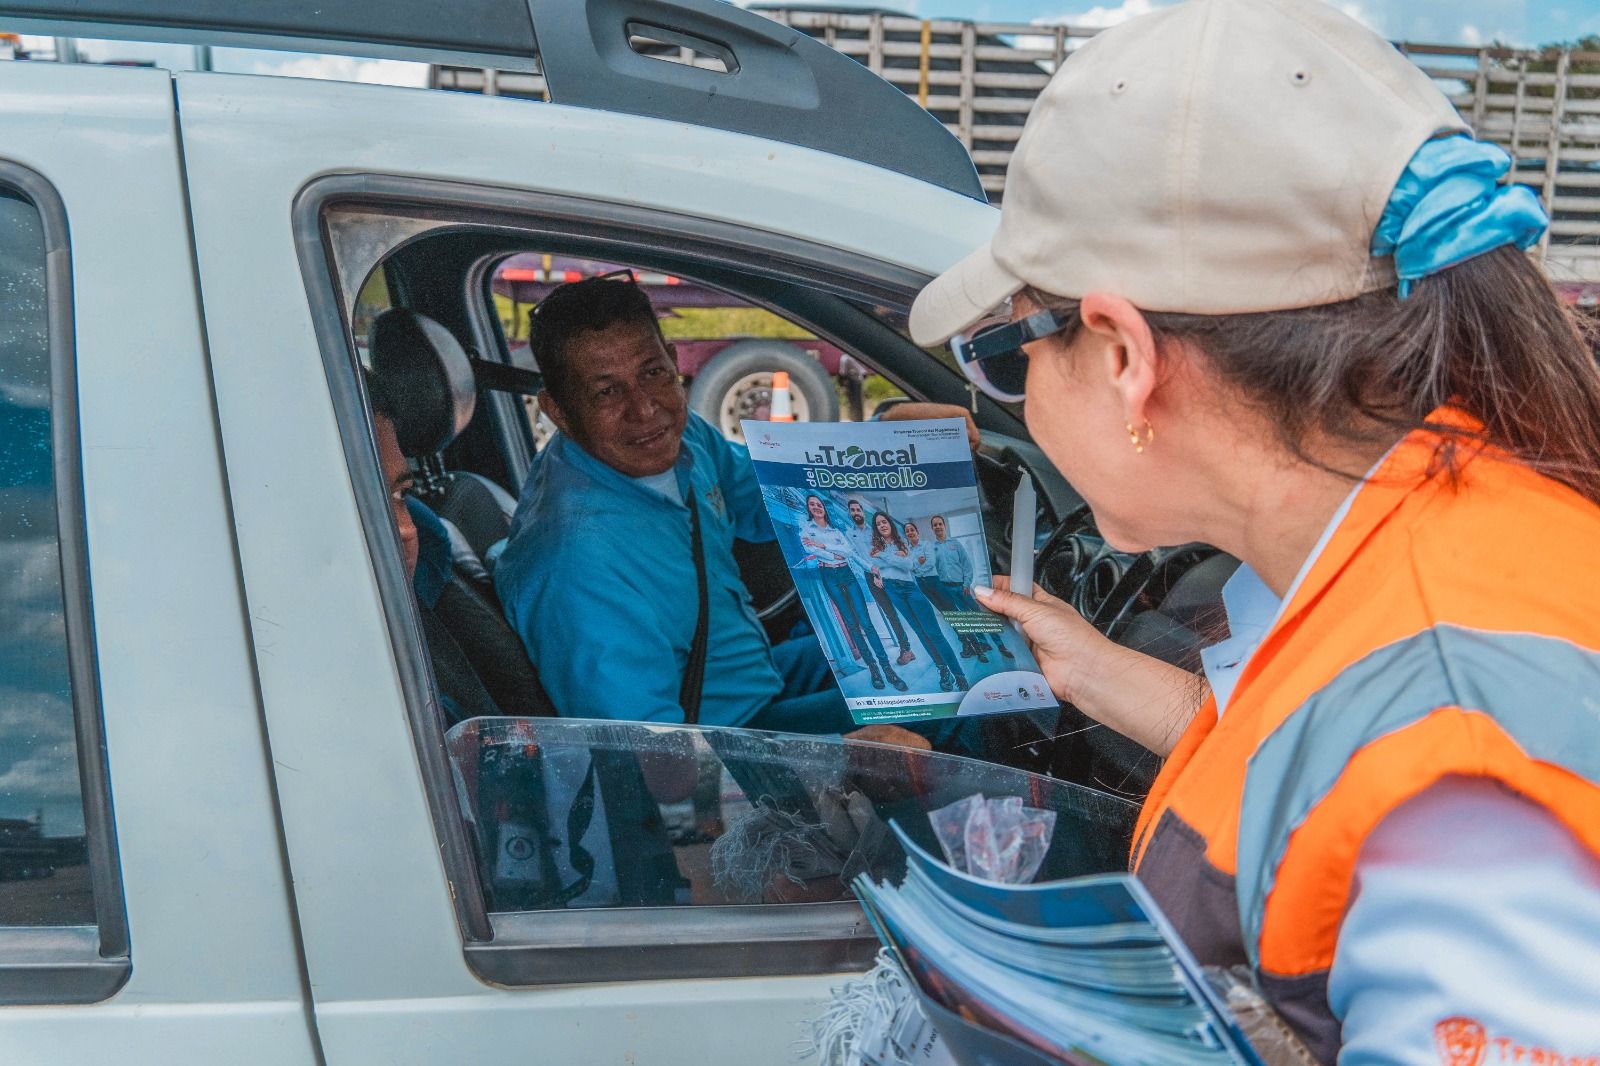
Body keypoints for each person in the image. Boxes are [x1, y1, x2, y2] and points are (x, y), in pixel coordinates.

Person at [908, 0, 1600, 1059]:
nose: (1012, 394)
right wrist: (1098, 675)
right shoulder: (1407, 543)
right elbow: (1311, 764)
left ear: (1123, 355)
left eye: (1006, 358)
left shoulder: (1456, 749)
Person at [493, 272, 945, 747]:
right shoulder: (578, 563)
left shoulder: (682, 440)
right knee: (953, 701)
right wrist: (848, 758)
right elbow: (650, 757)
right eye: (607, 391)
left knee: (943, 643)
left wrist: (895, 441)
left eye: (652, 373)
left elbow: (770, 493)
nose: (645, 409)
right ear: (558, 411)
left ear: (672, 361)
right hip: (722, 739)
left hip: (750, 673)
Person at [799, 494, 907, 692]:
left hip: (846, 573)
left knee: (866, 623)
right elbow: (812, 551)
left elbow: (849, 553)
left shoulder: (836, 531)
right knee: (852, 625)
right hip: (828, 576)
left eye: (819, 504)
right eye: (812, 505)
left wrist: (823, 546)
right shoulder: (806, 530)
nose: (816, 507)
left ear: (823, 507)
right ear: (809, 509)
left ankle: (888, 669)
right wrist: (833, 551)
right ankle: (874, 670)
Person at [868, 512, 965, 692]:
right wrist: (888, 562)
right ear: (876, 529)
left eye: (884, 521)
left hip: (910, 589)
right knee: (920, 633)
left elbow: (909, 565)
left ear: (890, 523)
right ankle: (943, 671)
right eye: (878, 524)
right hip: (892, 590)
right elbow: (876, 567)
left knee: (934, 633)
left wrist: (885, 557)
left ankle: (959, 675)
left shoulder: (902, 543)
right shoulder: (874, 548)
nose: (882, 525)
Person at [927, 514, 1014, 664]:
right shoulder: (932, 549)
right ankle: (983, 643)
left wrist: (966, 584)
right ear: (932, 528)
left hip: (962, 587)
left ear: (944, 526)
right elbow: (932, 569)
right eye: (935, 525)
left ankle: (1001, 646)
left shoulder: (955, 544)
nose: (938, 527)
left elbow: (967, 566)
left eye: (940, 524)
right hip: (947, 590)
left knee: (978, 616)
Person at [844, 498, 914, 665]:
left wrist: (880, 573)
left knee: (907, 608)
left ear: (862, 512)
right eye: (852, 510)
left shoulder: (875, 531)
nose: (856, 513)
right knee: (890, 614)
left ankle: (912, 646)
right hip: (871, 576)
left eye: (858, 509)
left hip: (887, 573)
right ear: (850, 513)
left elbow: (887, 551)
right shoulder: (849, 534)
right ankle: (906, 649)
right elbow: (855, 557)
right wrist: (873, 573)